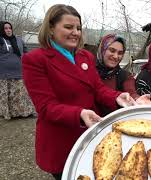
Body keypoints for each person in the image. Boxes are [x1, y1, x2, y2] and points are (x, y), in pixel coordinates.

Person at [22, 4, 136, 180]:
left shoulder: (85, 57)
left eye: (78, 28)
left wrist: (117, 97)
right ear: (51, 28)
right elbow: (46, 107)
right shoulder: (35, 60)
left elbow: (97, 88)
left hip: (89, 135)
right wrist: (79, 113)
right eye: (68, 27)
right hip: (61, 141)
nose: (75, 32)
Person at [96, 34, 141, 115]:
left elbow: (131, 92)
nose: (116, 56)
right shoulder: (89, 71)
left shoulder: (125, 76)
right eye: (112, 50)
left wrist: (137, 99)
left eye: (120, 53)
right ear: (102, 50)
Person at [0, 21, 35, 120]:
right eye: (5, 28)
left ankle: (23, 112)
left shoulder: (18, 40)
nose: (8, 30)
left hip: (18, 72)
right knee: (6, 95)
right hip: (3, 74)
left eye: (10, 28)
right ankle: (8, 114)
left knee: (20, 93)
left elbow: (26, 52)